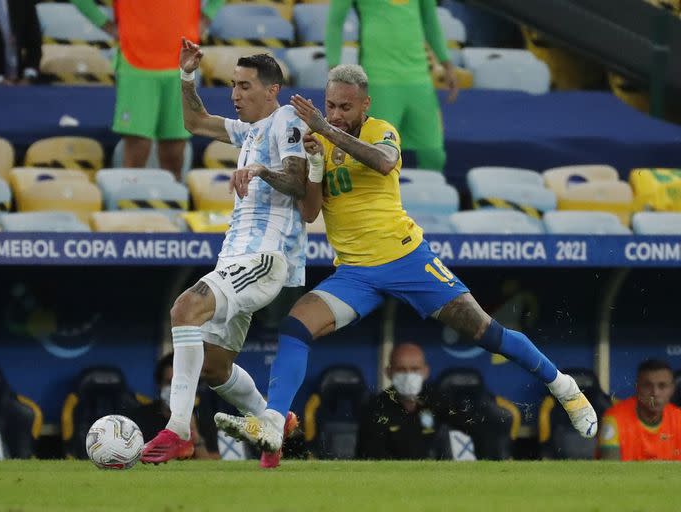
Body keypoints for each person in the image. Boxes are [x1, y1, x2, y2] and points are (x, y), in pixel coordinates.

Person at [214, 65, 597, 466]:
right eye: (330, 105)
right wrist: (312, 165)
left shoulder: (382, 131)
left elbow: (382, 163)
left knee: (484, 329)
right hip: (355, 273)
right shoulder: (319, 143)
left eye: (345, 106)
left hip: (406, 259)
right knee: (296, 325)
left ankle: (566, 388)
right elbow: (310, 213)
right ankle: (273, 421)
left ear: (365, 104)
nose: (336, 112)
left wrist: (327, 131)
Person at [139, 40, 304, 466]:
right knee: (214, 368)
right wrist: (188, 76)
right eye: (232, 85)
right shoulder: (249, 131)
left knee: (184, 308)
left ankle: (178, 431)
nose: (235, 95)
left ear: (272, 90)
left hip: (263, 258)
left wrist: (263, 170)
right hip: (235, 260)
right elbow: (195, 122)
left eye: (245, 86)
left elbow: (300, 182)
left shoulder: (286, 121)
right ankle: (272, 423)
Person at [71, 0, 224, 179]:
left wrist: (207, 16)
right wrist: (105, 24)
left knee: (174, 155)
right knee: (137, 153)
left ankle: (170, 204)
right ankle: (133, 202)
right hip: (136, 64)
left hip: (180, 63)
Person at [325, 0, 458, 171]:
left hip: (419, 79)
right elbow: (335, 22)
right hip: (379, 79)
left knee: (434, 155)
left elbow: (430, 21)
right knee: (377, 157)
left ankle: (426, 196)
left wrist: (446, 63)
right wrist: (333, 68)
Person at [357, 343, 452, 460]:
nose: (408, 376)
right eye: (401, 370)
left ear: (426, 371)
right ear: (389, 372)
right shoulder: (375, 409)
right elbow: (371, 458)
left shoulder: (439, 403)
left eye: (415, 369)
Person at [129, 354, 219, 460]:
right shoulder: (139, 418)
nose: (175, 389)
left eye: (180, 384)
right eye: (169, 382)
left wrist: (195, 436)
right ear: (159, 385)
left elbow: (212, 465)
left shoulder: (203, 416)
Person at [599, 359, 681, 461]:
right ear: (637, 388)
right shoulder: (614, 418)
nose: (655, 393)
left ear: (672, 389)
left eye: (662, 386)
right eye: (647, 385)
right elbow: (609, 470)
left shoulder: (679, 418)